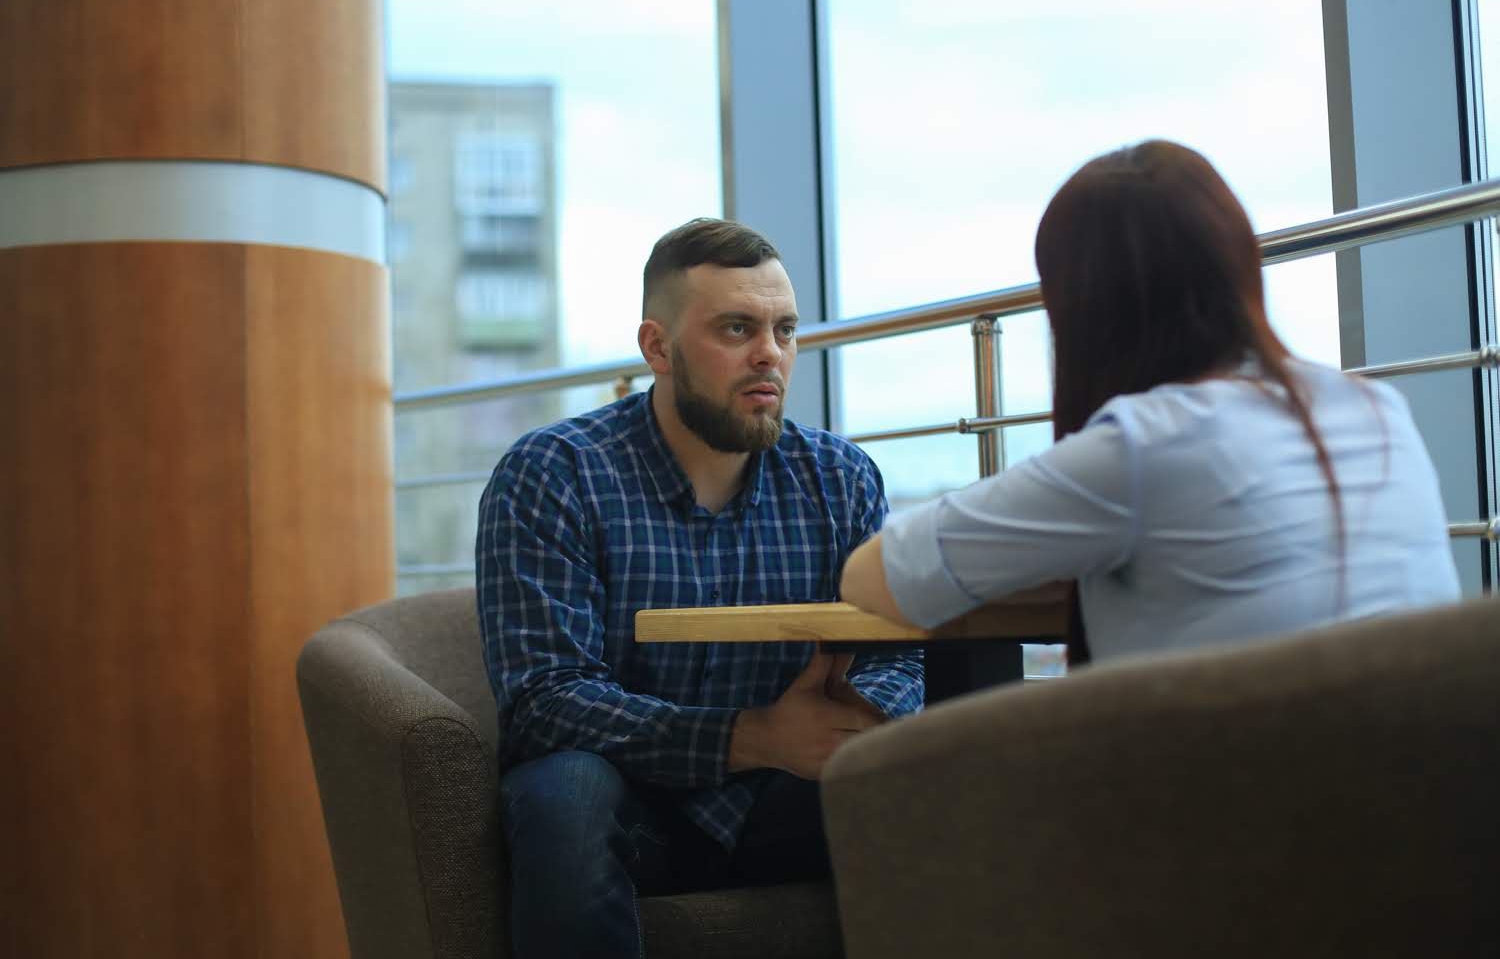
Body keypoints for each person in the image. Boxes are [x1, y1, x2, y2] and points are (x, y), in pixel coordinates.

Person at [475, 218, 923, 958]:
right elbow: (543, 702)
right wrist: (751, 736)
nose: (769, 354)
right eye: (737, 329)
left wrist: (854, 719)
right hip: (634, 805)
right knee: (565, 793)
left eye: (784, 330)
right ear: (658, 348)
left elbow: (895, 653)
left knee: (942, 773)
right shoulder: (554, 473)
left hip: (788, 793)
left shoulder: (840, 478)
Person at [839, 140, 1460, 663]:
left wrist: (1048, 555)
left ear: (1080, 309)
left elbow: (873, 577)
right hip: (1435, 761)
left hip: (1244, 771)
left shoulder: (1142, 446)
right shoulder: (1376, 408)